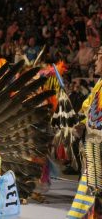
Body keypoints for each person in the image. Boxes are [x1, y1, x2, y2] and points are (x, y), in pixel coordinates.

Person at [68, 46, 102, 218]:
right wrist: (82, 124)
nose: (95, 62)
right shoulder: (99, 85)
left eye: (98, 58)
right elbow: (89, 111)